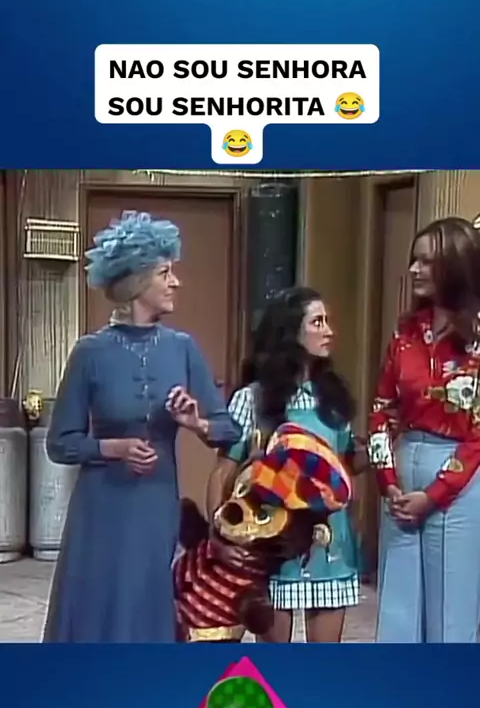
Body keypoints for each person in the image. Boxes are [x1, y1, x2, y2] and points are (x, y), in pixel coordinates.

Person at [42, 210, 240, 643]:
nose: (175, 282)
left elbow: (229, 432)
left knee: (145, 601)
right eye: (165, 273)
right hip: (101, 506)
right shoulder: (90, 353)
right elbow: (59, 443)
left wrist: (195, 421)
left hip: (155, 504)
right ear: (136, 281)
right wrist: (112, 449)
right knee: (97, 604)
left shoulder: (182, 348)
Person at [207, 286, 366, 643]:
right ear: (291, 331)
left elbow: (344, 467)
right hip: (271, 547)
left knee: (324, 668)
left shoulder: (334, 398)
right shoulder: (253, 398)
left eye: (328, 321)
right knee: (275, 665)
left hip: (329, 546)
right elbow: (223, 471)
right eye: (318, 322)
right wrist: (219, 537)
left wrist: (376, 449)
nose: (329, 331)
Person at [368, 216, 480, 643]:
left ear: (456, 267)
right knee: (398, 613)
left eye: (427, 261)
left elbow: (478, 435)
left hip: (459, 481)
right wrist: (388, 481)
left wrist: (433, 495)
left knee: (450, 618)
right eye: (414, 260)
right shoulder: (406, 333)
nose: (414, 269)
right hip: (402, 476)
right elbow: (382, 410)